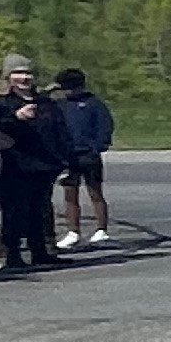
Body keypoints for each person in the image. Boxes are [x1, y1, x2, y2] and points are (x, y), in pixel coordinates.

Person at [0, 56, 71, 273]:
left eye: (27, 73)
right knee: (14, 210)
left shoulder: (46, 103)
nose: (24, 78)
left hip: (44, 165)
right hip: (14, 165)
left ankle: (40, 251)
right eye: (18, 73)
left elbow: (60, 132)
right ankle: (12, 253)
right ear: (8, 77)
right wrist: (16, 117)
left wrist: (66, 161)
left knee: (40, 209)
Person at [49, 67, 115, 249]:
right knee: (70, 194)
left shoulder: (93, 103)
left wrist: (97, 146)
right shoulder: (59, 105)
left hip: (88, 155)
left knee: (95, 191)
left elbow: (105, 126)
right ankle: (73, 231)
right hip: (67, 156)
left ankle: (101, 229)